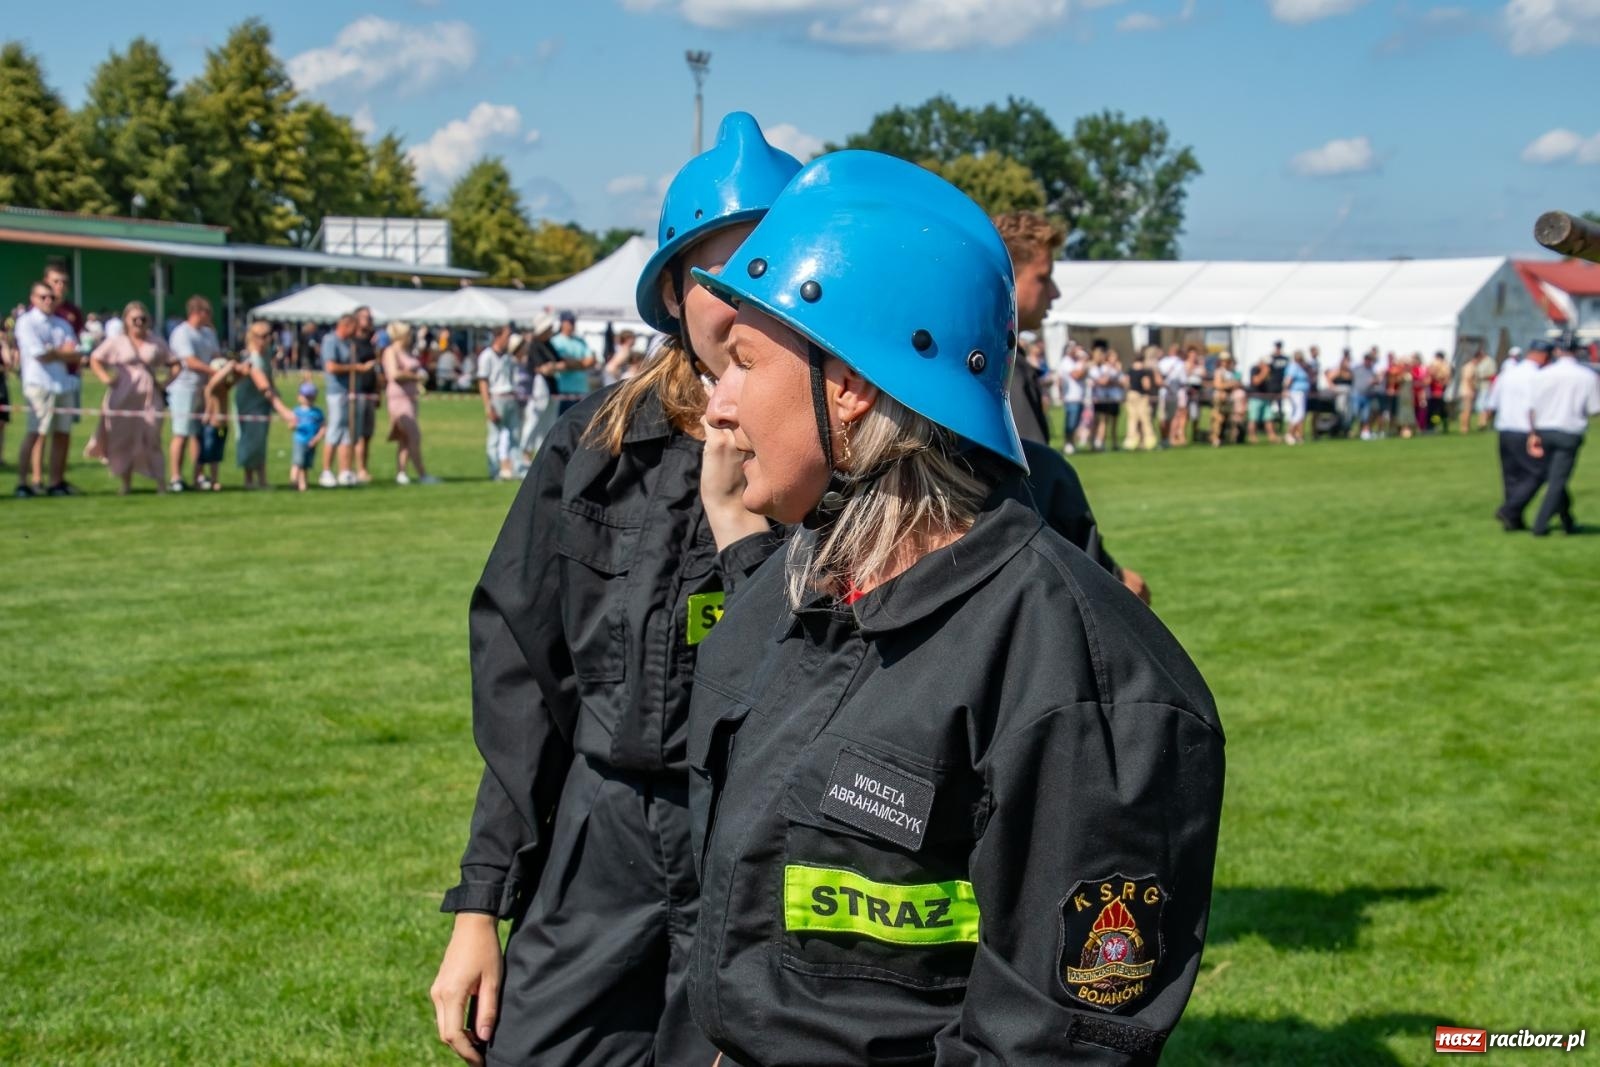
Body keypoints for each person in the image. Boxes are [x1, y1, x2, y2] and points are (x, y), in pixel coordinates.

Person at [685, 148, 1223, 1066]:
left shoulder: (1084, 685)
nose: (717, 410)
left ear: (850, 387)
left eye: (742, 363)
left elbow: (1052, 1047)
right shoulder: (792, 596)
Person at [430, 112, 803, 1067]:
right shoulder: (595, 446)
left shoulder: (837, 464)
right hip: (599, 847)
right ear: (673, 292)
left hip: (761, 855)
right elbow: (526, 677)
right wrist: (481, 904)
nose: (745, 303)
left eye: (770, 272)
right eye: (719, 277)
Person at [83, 301, 175, 494]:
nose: (139, 323)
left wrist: (164, 383)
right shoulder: (116, 341)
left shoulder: (155, 341)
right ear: (126, 320)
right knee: (122, 439)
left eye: (143, 319)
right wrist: (106, 378)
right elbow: (95, 358)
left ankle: (160, 483)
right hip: (123, 394)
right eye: (135, 319)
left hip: (150, 395)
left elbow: (175, 363)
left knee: (152, 437)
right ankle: (126, 483)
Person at [14, 281, 81, 497]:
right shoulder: (26, 322)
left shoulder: (62, 323)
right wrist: (60, 352)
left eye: (51, 297)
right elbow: (39, 354)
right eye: (43, 297)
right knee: (35, 433)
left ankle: (56, 482)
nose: (48, 301)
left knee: (62, 434)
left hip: (62, 383)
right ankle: (23, 482)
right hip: (39, 384)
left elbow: (76, 353)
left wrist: (54, 352)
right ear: (33, 299)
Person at [1527, 337, 1600, 536]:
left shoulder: (1543, 374)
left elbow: (1533, 407)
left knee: (1555, 477)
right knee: (1557, 481)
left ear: (1557, 351)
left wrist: (1532, 433)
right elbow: (1594, 408)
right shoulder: (1587, 376)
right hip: (1569, 431)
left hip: (1545, 429)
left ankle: (1567, 520)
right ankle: (1540, 525)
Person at [1486, 344, 1547, 530]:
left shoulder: (1507, 374)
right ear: (1542, 355)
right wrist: (1535, 433)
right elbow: (1533, 407)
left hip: (1505, 429)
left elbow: (1492, 402)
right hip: (1526, 430)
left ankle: (1513, 521)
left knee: (1511, 476)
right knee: (1538, 473)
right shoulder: (1537, 376)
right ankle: (1510, 510)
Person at [233, 321, 298, 489]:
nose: (268, 339)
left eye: (270, 335)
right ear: (254, 338)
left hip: (261, 404)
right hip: (249, 404)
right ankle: (249, 480)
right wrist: (284, 411)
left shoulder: (266, 354)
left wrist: (277, 392)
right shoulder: (252, 358)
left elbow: (269, 381)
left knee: (261, 442)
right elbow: (264, 387)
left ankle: (262, 480)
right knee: (251, 441)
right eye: (264, 336)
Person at [167, 296, 220, 492]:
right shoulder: (182, 333)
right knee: (181, 433)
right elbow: (189, 361)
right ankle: (176, 477)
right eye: (207, 313)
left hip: (205, 388)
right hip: (184, 388)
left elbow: (216, 356)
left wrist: (221, 367)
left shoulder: (208, 333)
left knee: (199, 434)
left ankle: (198, 475)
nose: (210, 317)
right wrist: (214, 371)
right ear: (197, 312)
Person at [382, 321, 438, 485]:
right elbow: (394, 374)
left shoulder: (407, 351)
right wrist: (416, 377)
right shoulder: (391, 351)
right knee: (414, 435)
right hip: (398, 398)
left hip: (411, 397)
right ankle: (422, 474)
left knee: (405, 438)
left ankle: (402, 472)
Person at [320, 313, 365, 487]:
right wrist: (355, 368)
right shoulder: (331, 341)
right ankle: (326, 470)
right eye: (354, 327)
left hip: (349, 392)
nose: (356, 331)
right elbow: (331, 366)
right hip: (337, 392)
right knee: (335, 429)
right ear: (345, 326)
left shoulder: (349, 343)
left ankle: (345, 470)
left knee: (348, 431)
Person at [477, 325, 521, 482]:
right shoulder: (487, 356)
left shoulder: (508, 357)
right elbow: (483, 382)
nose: (509, 340)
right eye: (507, 336)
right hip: (497, 397)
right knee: (495, 437)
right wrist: (488, 405)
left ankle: (516, 468)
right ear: (498, 337)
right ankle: (494, 470)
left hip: (511, 396)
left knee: (515, 435)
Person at [349, 306, 384, 482]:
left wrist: (378, 391)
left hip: (370, 392)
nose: (370, 320)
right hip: (357, 392)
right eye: (367, 317)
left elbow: (377, 368)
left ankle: (363, 468)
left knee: (368, 434)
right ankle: (357, 469)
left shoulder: (371, 342)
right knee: (358, 433)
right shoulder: (351, 342)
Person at [518, 314, 558, 465]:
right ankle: (525, 452)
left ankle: (542, 455)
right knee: (533, 420)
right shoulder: (534, 345)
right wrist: (550, 368)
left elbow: (557, 363)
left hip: (551, 388)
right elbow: (540, 368)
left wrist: (552, 367)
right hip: (538, 388)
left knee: (548, 422)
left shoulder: (549, 344)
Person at [541, 311, 596, 413]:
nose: (572, 324)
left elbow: (590, 361)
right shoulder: (554, 342)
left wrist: (569, 364)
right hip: (563, 391)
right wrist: (580, 364)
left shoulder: (580, 341)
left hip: (581, 391)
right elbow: (560, 364)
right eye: (570, 322)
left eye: (573, 321)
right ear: (562, 323)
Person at [289, 381, 326, 493]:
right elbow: (290, 425)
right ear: (299, 397)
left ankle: (303, 484)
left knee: (305, 465)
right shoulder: (297, 411)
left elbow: (323, 427)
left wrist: (317, 438)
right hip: (300, 441)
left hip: (311, 442)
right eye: (306, 397)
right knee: (297, 462)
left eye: (311, 397)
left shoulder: (317, 412)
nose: (308, 399)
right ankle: (293, 481)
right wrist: (293, 425)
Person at [1124, 345, 1159, 451]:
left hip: (1131, 394)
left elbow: (1126, 382)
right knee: (1145, 418)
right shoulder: (1144, 371)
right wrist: (1148, 391)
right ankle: (1149, 440)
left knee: (1132, 419)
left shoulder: (1130, 369)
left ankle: (1131, 440)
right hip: (1141, 396)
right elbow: (1146, 384)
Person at [1091, 347, 1125, 451]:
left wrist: (1114, 379)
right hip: (1101, 398)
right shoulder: (1102, 368)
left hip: (1113, 398)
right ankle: (1098, 442)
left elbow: (1123, 383)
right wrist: (1113, 381)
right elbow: (1103, 381)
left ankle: (1112, 443)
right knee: (1101, 421)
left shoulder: (1117, 369)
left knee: (1112, 421)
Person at [1059, 341, 1090, 454]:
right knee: (1071, 423)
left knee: (1075, 423)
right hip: (1071, 397)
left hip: (1079, 396)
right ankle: (1068, 443)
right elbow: (1077, 375)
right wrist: (1083, 362)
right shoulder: (1066, 362)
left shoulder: (1075, 362)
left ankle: (1071, 443)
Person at [1462, 347, 1498, 433]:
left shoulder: (1490, 362)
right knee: (1480, 406)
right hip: (1479, 387)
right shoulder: (1476, 364)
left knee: (1482, 405)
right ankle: (1482, 422)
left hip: (1486, 387)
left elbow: (1492, 375)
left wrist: (1480, 378)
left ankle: (1483, 422)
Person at [1210, 352, 1242, 447]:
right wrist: (1230, 384)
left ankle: (1224, 438)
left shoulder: (1231, 372)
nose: (1226, 363)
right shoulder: (1219, 372)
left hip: (1228, 398)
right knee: (1218, 418)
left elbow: (1237, 384)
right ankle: (1215, 438)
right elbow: (1217, 385)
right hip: (1220, 397)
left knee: (1227, 419)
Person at [1283, 350, 1311, 445]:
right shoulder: (1294, 367)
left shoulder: (1299, 367)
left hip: (1301, 392)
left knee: (1297, 414)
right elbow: (1289, 379)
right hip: (1296, 392)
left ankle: (1295, 434)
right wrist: (1286, 389)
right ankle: (1289, 433)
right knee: (1298, 414)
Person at [1426, 350, 1451, 433]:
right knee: (1438, 410)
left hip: (1438, 391)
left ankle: (1434, 425)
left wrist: (1436, 374)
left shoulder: (1443, 366)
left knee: (1436, 411)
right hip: (1434, 391)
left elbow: (1444, 379)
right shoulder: (1443, 366)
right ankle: (1441, 424)